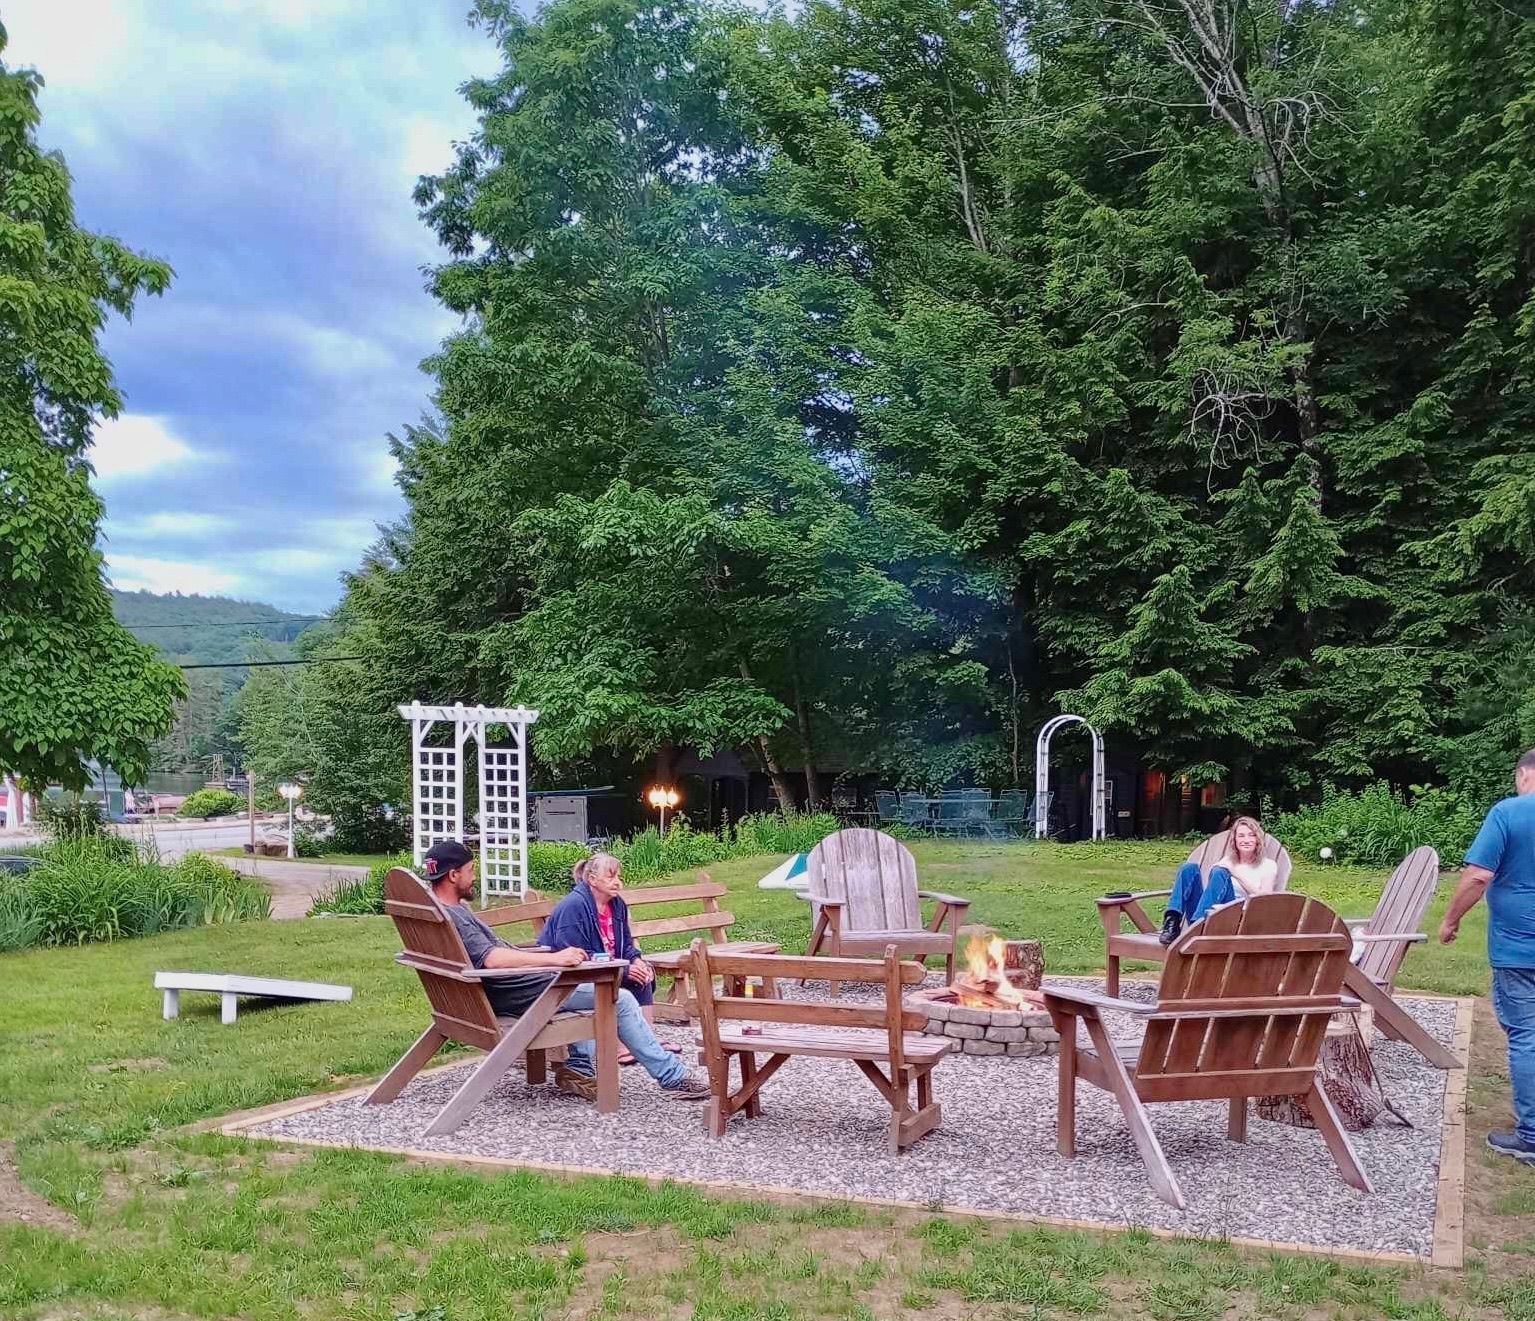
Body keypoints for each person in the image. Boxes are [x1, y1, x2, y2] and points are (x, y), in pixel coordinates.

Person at [422, 840, 709, 1102]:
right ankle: (673, 1077)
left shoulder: (442, 912)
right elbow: (492, 960)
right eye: (471, 870)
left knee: (591, 989)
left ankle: (579, 1068)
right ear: (453, 875)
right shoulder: (453, 916)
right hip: (523, 994)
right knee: (618, 999)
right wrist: (554, 960)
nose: (475, 877)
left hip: (512, 990)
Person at [1439, 749, 1535, 1164]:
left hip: (1520, 948)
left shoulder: (1509, 812)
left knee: (1527, 1035)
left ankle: (1531, 1136)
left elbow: (1478, 874)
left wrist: (1451, 920)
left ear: (1524, 774)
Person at [542, 854, 682, 1065]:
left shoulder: (617, 905)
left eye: (619, 877)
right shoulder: (573, 907)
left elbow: (625, 945)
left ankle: (647, 1040)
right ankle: (620, 1047)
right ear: (592, 879)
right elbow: (576, 956)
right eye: (610, 877)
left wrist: (636, 962)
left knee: (641, 975)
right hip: (568, 979)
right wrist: (623, 971)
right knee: (624, 982)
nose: (618, 882)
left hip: (607, 969)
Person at [1160, 815, 1280, 945]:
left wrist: (1236, 874)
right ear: (1234, 840)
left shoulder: (1268, 865)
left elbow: (1266, 900)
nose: (1246, 840)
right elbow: (1213, 890)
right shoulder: (1227, 861)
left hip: (1236, 919)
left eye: (1251, 835)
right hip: (1212, 913)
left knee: (1220, 872)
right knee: (1188, 868)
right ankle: (1172, 921)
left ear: (1258, 839)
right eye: (1241, 836)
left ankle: (1197, 926)